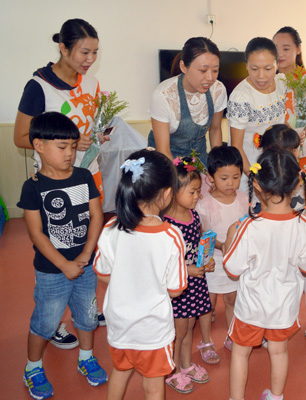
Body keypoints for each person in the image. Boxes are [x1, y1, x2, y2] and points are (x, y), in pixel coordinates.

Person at [14, 18, 105, 348]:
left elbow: (89, 124)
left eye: (95, 52)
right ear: (63, 48)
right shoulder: (38, 87)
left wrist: (95, 137)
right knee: (57, 245)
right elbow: (21, 137)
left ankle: (84, 308)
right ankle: (53, 321)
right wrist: (65, 142)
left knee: (86, 240)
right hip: (53, 184)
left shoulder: (92, 84)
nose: (89, 59)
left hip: (86, 175)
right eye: (83, 51)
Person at [18, 112, 107, 400]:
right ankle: (32, 368)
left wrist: (85, 254)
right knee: (46, 321)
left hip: (85, 264)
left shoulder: (83, 176)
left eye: (72, 146)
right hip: (51, 270)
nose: (70, 153)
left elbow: (96, 216)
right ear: (39, 146)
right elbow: (36, 234)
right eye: (61, 147)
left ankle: (86, 357)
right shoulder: (33, 187)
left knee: (87, 316)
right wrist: (64, 264)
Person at [93, 149, 189, 400]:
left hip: (119, 324)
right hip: (152, 329)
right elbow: (176, 289)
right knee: (154, 385)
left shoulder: (111, 228)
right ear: (168, 194)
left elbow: (103, 273)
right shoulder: (171, 236)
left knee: (120, 371)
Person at [223, 148, 306, 400]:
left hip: (251, 307)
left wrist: (231, 237)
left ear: (256, 183)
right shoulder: (304, 225)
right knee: (279, 352)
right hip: (284, 306)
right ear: (297, 183)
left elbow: (232, 269)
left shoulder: (249, 226)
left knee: (241, 352)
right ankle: (275, 397)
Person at [259, 125, 306, 349]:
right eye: (288, 151)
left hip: (300, 236)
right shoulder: (264, 178)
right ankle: (269, 327)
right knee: (275, 285)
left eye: (296, 150)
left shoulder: (301, 175)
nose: (293, 156)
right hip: (277, 241)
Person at [273, 26, 306, 290]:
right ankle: (283, 263)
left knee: (304, 202)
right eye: (276, 49)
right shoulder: (267, 78)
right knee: (276, 203)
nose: (280, 55)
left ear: (298, 49)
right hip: (273, 153)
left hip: (301, 152)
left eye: (286, 48)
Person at [162, 156, 216, 394]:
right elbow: (164, 263)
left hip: (194, 281)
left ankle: (185, 365)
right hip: (178, 285)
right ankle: (172, 371)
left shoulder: (194, 217)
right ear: (173, 192)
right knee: (178, 331)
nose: (197, 197)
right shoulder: (166, 224)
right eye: (193, 192)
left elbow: (199, 244)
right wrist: (188, 270)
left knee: (190, 326)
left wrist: (207, 260)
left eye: (198, 191)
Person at [196, 145, 246, 352]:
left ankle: (232, 335)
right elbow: (202, 235)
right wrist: (221, 245)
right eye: (224, 178)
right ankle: (206, 341)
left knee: (232, 299)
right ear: (210, 177)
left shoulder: (244, 199)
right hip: (213, 261)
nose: (230, 183)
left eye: (235, 177)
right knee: (208, 303)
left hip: (235, 260)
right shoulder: (205, 204)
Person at [149, 37, 226, 166]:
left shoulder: (217, 90)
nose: (210, 77)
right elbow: (163, 150)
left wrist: (216, 167)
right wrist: (182, 180)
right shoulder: (164, 95)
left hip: (198, 158)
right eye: (203, 70)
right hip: (165, 162)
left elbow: (215, 129)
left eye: (215, 70)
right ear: (183, 67)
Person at [228, 37, 287, 193]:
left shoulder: (282, 84)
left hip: (277, 168)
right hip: (251, 171)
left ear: (277, 64)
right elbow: (236, 146)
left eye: (268, 69)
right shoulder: (241, 97)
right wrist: (255, 179)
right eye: (254, 69)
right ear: (246, 65)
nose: (261, 76)